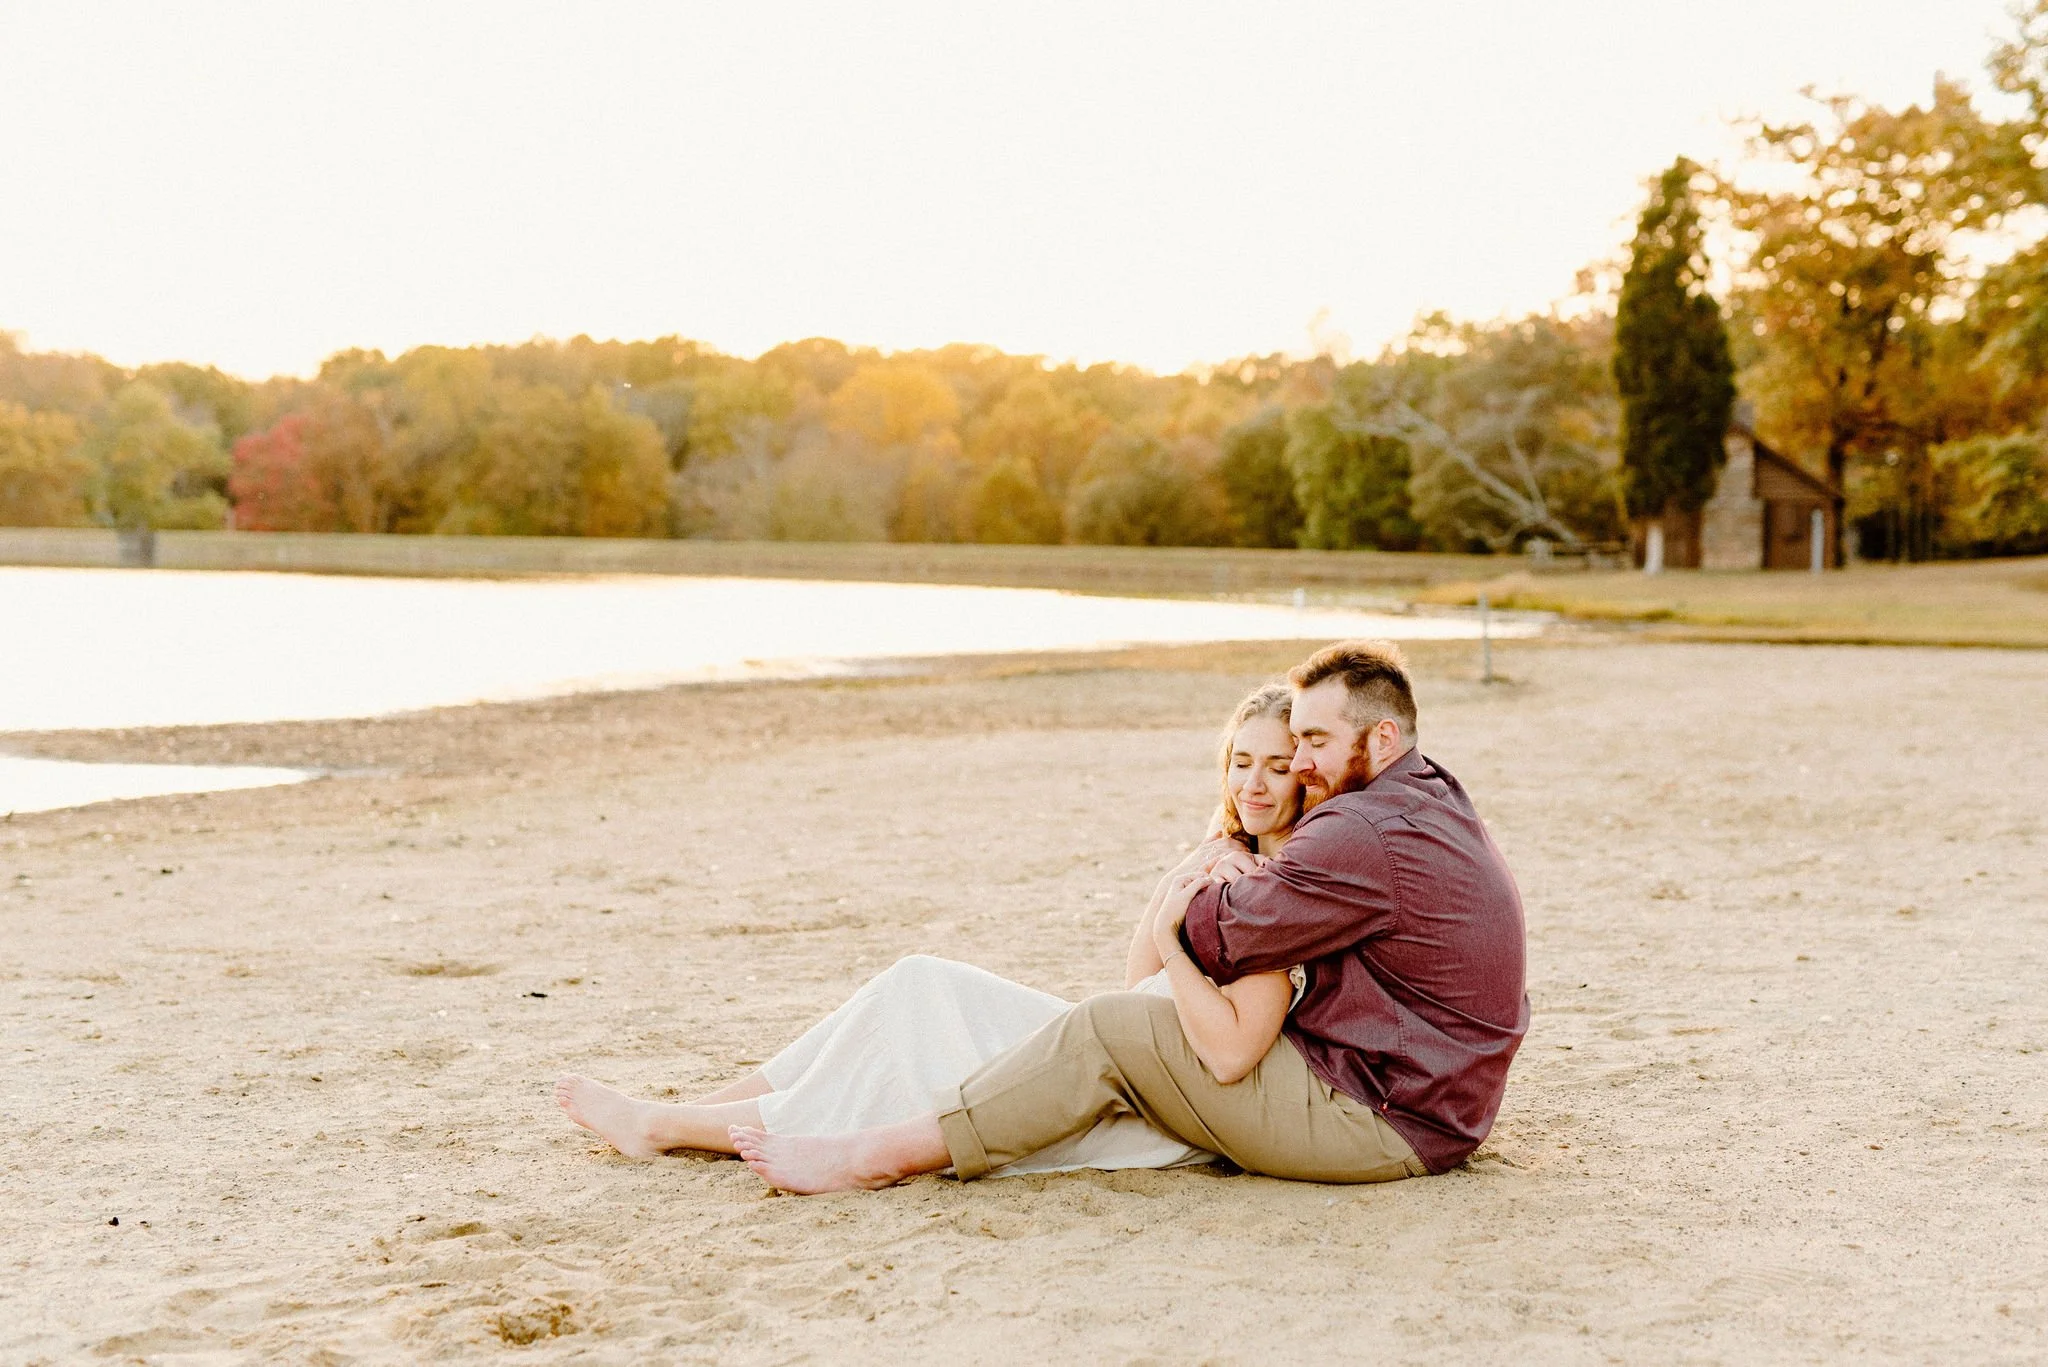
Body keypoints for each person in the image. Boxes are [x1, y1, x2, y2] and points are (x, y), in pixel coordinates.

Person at [726, 639, 1529, 1194]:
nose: (1305, 762)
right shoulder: (1428, 795)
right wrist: (1219, 882)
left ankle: (871, 1159)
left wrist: (1207, 887)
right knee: (1038, 1013)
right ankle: (738, 1110)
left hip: (1390, 1119)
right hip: (1430, 1099)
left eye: (1313, 741)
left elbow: (1218, 934)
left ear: (1382, 736)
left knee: (1109, 1026)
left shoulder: (1359, 830)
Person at [554, 683, 1305, 1175]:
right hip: (1118, 1047)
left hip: (1148, 1099)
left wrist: (1193, 922)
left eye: (1276, 766)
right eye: (1241, 762)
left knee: (909, 1053)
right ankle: (703, 1109)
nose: (1254, 783)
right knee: (916, 980)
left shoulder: (1287, 887)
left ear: (1306, 775)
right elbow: (1133, 978)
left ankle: (670, 1125)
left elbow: (1229, 1045)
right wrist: (1176, 886)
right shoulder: (1228, 858)